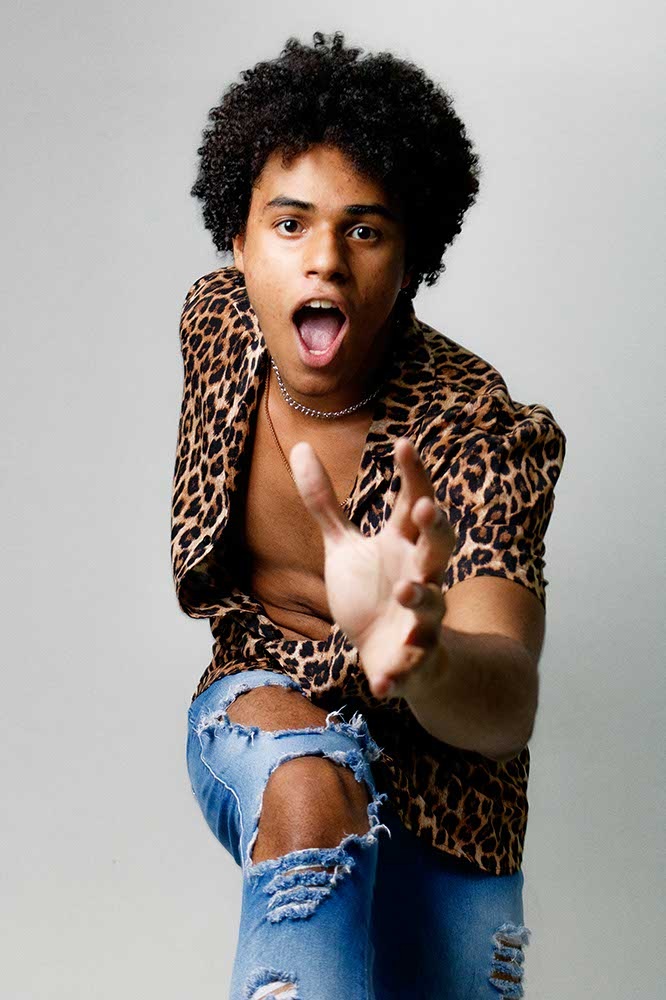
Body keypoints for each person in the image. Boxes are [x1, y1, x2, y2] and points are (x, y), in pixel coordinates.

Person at [172, 30, 566, 1000]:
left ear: (410, 257)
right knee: (310, 791)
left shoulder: (475, 428)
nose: (324, 262)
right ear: (238, 243)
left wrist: (424, 655)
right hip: (268, 696)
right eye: (290, 224)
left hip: (447, 786)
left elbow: (508, 700)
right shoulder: (217, 325)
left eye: (365, 230)